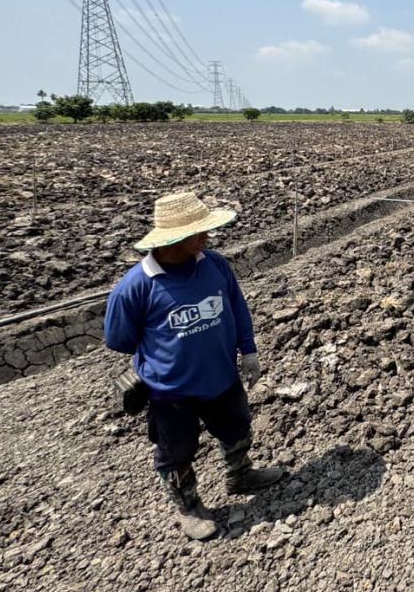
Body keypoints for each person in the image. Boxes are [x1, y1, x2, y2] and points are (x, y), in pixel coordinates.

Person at [105, 192, 285, 540]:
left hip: (221, 376)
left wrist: (248, 351)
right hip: (170, 390)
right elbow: (120, 340)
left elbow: (236, 306)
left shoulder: (214, 264)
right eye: (199, 230)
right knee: (176, 450)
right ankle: (188, 506)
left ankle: (240, 474)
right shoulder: (136, 287)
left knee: (237, 428)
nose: (207, 235)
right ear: (173, 238)